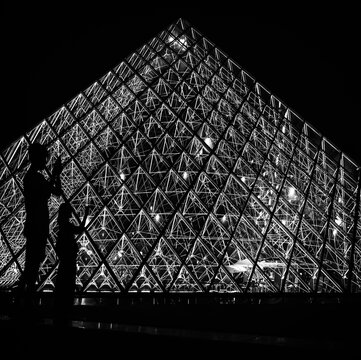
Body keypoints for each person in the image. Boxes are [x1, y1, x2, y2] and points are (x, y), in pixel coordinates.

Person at [19, 142, 62, 308]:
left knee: (32, 266)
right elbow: (46, 193)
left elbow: (57, 193)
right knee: (32, 266)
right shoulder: (32, 178)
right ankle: (25, 303)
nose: (46, 161)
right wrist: (55, 174)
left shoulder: (37, 177)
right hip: (36, 226)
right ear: (36, 158)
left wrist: (56, 175)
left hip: (38, 226)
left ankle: (23, 302)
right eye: (44, 158)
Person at [54, 202, 90, 324]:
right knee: (68, 283)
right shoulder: (67, 226)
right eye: (70, 210)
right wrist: (85, 214)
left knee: (63, 283)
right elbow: (80, 229)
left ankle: (61, 312)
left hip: (65, 259)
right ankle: (65, 312)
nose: (72, 212)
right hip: (69, 259)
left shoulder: (62, 225)